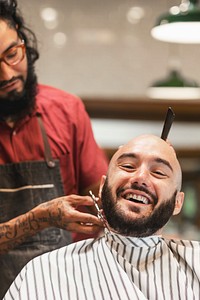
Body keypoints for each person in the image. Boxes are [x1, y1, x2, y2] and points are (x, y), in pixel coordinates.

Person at [5, 134, 200, 300]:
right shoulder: (44, 273)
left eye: (158, 172)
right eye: (128, 166)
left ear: (178, 202)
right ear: (102, 187)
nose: (140, 177)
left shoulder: (194, 263)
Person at [0, 0, 108, 297]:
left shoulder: (66, 110)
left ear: (23, 39)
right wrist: (42, 218)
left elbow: (101, 198)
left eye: (12, 54)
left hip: (66, 287)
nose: (7, 75)